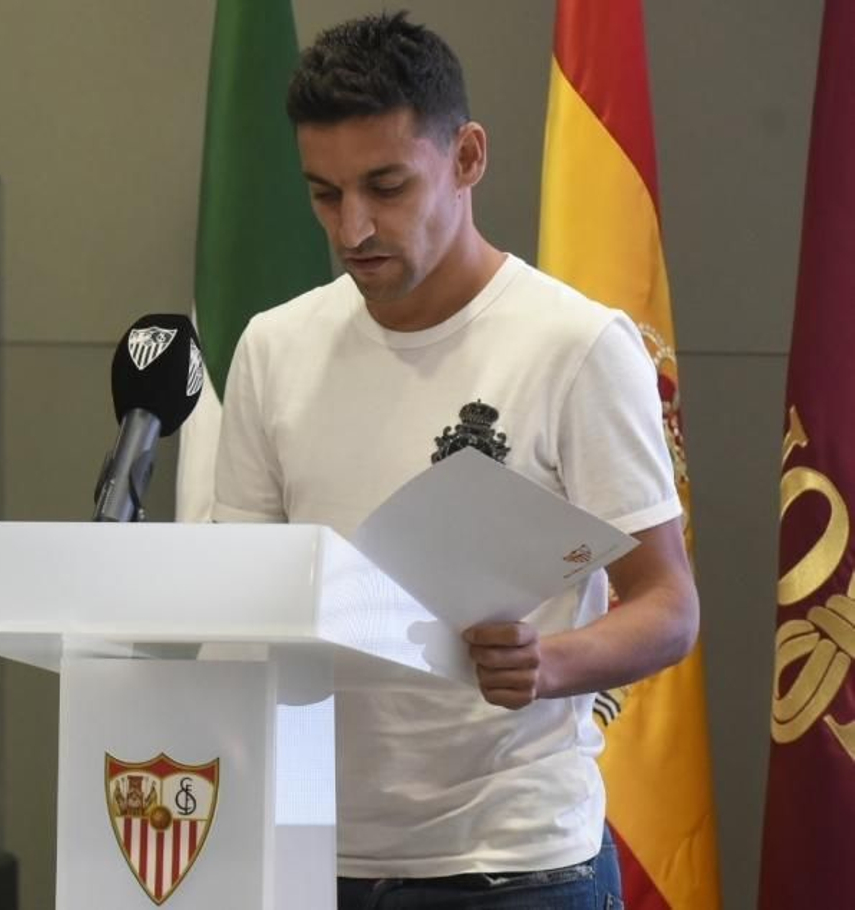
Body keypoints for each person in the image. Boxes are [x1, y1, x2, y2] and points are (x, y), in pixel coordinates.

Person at [211, 11, 698, 909]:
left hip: (516, 862)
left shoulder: (576, 345)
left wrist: (550, 663)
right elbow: (244, 590)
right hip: (312, 852)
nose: (353, 226)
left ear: (467, 157)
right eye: (325, 194)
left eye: (387, 187)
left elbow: (668, 607)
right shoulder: (274, 348)